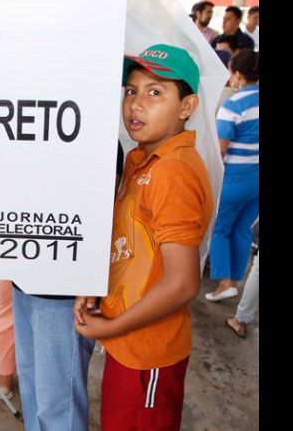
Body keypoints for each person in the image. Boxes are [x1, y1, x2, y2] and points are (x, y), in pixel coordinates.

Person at [75, 44, 213, 431]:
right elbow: (133, 246)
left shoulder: (172, 171)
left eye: (156, 92)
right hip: (129, 346)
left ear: (187, 106)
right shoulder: (141, 157)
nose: (137, 104)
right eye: (131, 91)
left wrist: (111, 327)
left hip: (148, 353)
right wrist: (97, 285)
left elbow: (183, 283)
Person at [205, 50, 259, 302]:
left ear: (238, 75)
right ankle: (235, 280)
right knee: (241, 230)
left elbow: (221, 150)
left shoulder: (233, 105)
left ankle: (224, 283)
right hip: (256, 179)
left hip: (234, 179)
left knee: (219, 229)